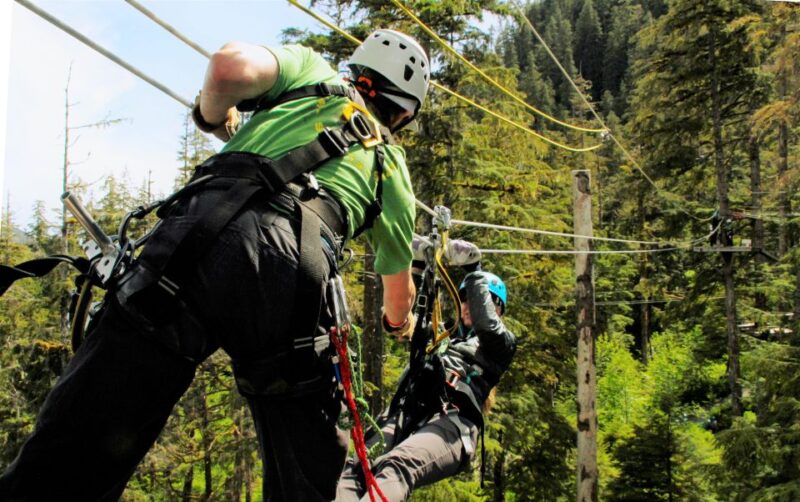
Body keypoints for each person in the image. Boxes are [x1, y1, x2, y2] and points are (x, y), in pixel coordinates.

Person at [0, 29, 428, 501]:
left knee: (76, 447)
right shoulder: (392, 167)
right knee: (305, 467)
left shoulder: (311, 73)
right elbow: (397, 294)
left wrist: (211, 116)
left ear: (357, 69)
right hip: (293, 273)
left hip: (196, 236)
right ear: (404, 112)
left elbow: (228, 68)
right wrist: (399, 324)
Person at [337, 238, 517, 501]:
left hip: (453, 422)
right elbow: (402, 322)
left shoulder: (500, 345)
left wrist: (474, 271)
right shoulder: (442, 335)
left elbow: (486, 324)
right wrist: (416, 268)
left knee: (397, 465)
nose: (467, 305)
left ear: (497, 308)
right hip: (407, 413)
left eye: (482, 300)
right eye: (463, 298)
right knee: (357, 469)